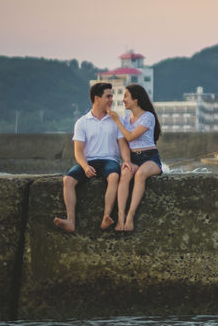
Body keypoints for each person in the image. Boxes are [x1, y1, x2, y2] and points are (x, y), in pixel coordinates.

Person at [53, 82, 129, 233]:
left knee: (114, 176)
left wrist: (126, 161)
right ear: (97, 98)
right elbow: (78, 151)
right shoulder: (82, 122)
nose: (111, 100)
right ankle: (70, 221)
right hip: (90, 161)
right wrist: (85, 166)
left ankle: (106, 217)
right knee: (67, 180)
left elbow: (122, 145)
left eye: (112, 96)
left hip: (110, 160)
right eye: (108, 96)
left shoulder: (115, 120)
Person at [113, 83, 163, 233]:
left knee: (140, 175)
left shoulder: (148, 117)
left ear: (136, 99)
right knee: (125, 174)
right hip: (133, 157)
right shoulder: (126, 119)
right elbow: (123, 142)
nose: (123, 100)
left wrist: (116, 121)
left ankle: (130, 216)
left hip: (150, 158)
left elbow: (130, 136)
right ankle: (120, 216)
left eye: (126, 96)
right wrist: (127, 161)